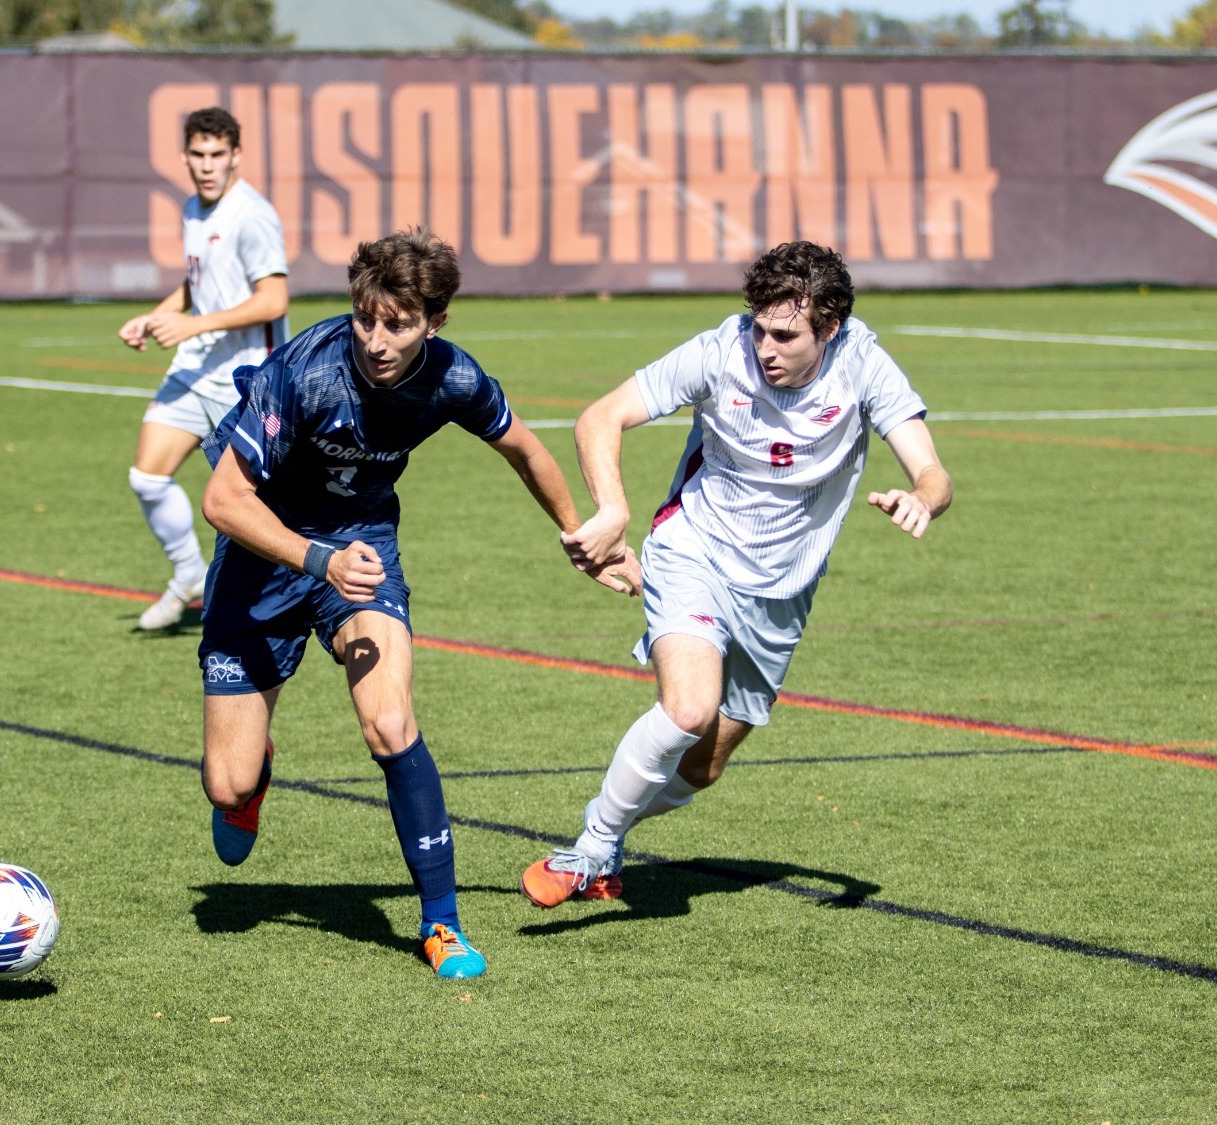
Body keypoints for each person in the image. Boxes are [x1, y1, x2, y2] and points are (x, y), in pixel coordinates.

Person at [197, 229, 638, 979]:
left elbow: (526, 447)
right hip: (265, 557)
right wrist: (316, 558)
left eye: (397, 322)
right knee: (227, 780)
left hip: (364, 554)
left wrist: (580, 535)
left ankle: (441, 924)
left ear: (434, 321)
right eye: (366, 317)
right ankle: (251, 781)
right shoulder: (304, 369)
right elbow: (222, 498)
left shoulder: (453, 378)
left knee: (390, 720)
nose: (376, 338)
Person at [521, 241, 953, 907]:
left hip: (781, 596)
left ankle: (610, 826)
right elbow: (600, 417)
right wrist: (613, 509)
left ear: (829, 330)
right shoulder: (720, 352)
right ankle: (591, 849)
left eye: (784, 334)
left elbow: (933, 471)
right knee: (688, 708)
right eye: (758, 327)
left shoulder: (863, 362)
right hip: (694, 549)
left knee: (703, 764)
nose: (764, 347)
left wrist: (921, 497)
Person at [118, 106, 290, 631]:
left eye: (219, 155)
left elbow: (274, 300)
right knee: (147, 477)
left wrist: (194, 326)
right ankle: (190, 573)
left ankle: (291, 601)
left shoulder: (252, 215)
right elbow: (199, 281)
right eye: (199, 155)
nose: (208, 165)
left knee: (251, 509)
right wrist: (160, 315)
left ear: (237, 155)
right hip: (195, 370)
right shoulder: (193, 206)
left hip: (245, 379)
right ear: (186, 157)